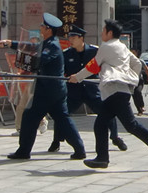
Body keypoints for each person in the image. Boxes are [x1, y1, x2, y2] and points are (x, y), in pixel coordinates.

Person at [69, 19, 148, 169]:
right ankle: (102, 158)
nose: (102, 33)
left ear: (110, 33)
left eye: (103, 31)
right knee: (102, 124)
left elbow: (93, 66)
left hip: (115, 91)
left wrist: (76, 77)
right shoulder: (122, 47)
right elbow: (137, 63)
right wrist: (130, 79)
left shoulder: (106, 46)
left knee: (129, 125)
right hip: (118, 91)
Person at [0, 13, 86, 160]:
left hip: (48, 91)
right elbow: (31, 47)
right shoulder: (47, 43)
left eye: (42, 26)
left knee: (30, 117)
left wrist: (24, 59)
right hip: (53, 90)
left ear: (48, 29)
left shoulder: (53, 46)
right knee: (62, 119)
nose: (40, 27)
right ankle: (79, 149)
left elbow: (39, 59)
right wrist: (10, 43)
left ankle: (24, 151)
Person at [47, 25, 127, 153]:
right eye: (69, 37)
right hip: (74, 92)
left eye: (73, 37)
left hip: (92, 91)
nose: (70, 40)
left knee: (108, 112)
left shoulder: (95, 51)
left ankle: (115, 137)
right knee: (61, 113)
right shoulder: (66, 54)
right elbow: (62, 71)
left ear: (81, 38)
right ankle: (57, 141)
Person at [10, 34, 48, 137]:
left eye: (34, 42)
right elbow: (26, 69)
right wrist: (20, 74)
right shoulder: (28, 55)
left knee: (32, 106)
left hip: (36, 83)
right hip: (29, 82)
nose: (32, 44)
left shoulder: (42, 54)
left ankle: (42, 121)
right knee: (21, 105)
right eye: (31, 41)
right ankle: (19, 128)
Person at [132, 49, 148, 116]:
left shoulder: (140, 61)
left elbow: (147, 70)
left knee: (138, 91)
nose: (132, 54)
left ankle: (142, 106)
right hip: (132, 80)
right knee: (134, 95)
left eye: (134, 53)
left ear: (137, 53)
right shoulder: (128, 61)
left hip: (139, 80)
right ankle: (139, 110)